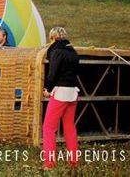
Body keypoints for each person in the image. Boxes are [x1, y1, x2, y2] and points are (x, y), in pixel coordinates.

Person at [42, 26, 80, 170]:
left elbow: (53, 74)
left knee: (48, 128)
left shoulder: (56, 51)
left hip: (60, 92)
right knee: (69, 127)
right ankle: (73, 162)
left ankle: (49, 163)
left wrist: (48, 89)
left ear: (53, 38)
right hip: (73, 92)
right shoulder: (73, 52)